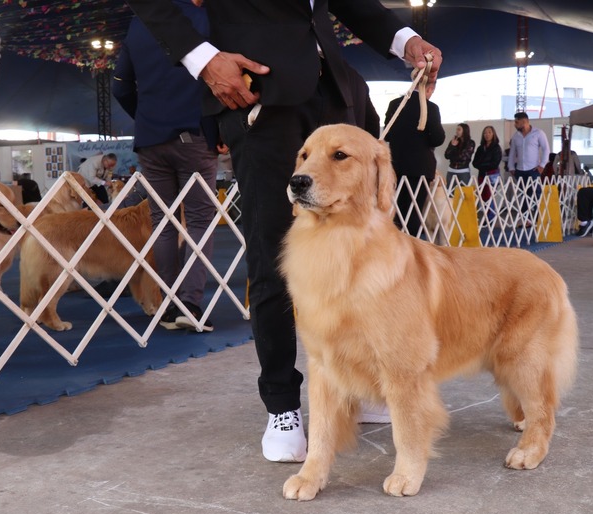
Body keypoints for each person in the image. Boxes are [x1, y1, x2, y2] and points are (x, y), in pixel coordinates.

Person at [126, 0, 442, 463]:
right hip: (258, 98)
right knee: (275, 254)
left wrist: (405, 40)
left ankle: (354, 388)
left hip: (335, 93)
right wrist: (203, 57)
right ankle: (282, 405)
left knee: (359, 251)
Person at [112, 0, 218, 333]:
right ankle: (190, 303)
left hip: (149, 139)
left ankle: (169, 305)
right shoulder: (206, 19)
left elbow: (120, 87)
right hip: (193, 133)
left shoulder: (138, 23)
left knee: (162, 220)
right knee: (200, 218)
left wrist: (146, 120)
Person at [384, 81, 446, 237]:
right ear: (430, 88)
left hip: (396, 166)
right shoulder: (431, 108)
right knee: (416, 211)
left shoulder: (394, 104)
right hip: (420, 168)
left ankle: (395, 246)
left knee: (397, 211)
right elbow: (438, 139)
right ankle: (413, 250)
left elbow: (388, 134)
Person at [508, 111, 549, 220]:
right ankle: (526, 219)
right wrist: (511, 167)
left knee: (536, 193)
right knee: (524, 194)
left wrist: (542, 165)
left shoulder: (538, 133)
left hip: (534, 169)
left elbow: (546, 149)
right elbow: (512, 153)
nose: (515, 124)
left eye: (517, 122)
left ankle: (537, 217)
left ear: (524, 121)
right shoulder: (516, 136)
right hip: (520, 170)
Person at [472, 125, 502, 203]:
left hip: (492, 175)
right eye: (485, 133)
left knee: (490, 197)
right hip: (481, 175)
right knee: (482, 197)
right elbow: (474, 163)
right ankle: (485, 213)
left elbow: (494, 164)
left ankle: (491, 215)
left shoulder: (496, 148)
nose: (487, 135)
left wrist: (482, 165)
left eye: (489, 132)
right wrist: (483, 165)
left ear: (493, 134)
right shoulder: (480, 148)